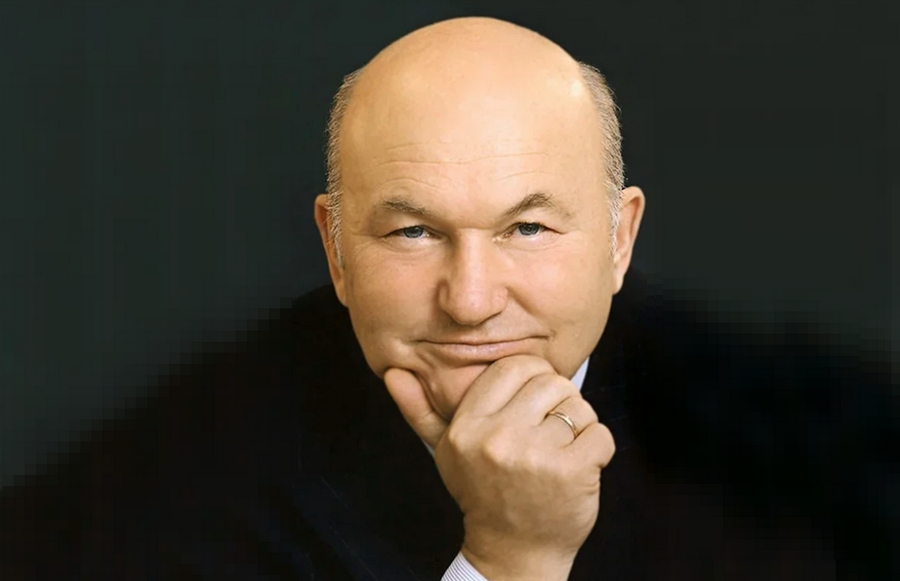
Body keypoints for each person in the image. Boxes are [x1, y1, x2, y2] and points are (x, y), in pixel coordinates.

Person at [0, 16, 891, 580]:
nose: (469, 301)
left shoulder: (810, 466)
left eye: (527, 228)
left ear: (620, 239)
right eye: (413, 232)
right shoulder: (163, 507)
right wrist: (509, 562)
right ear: (335, 249)